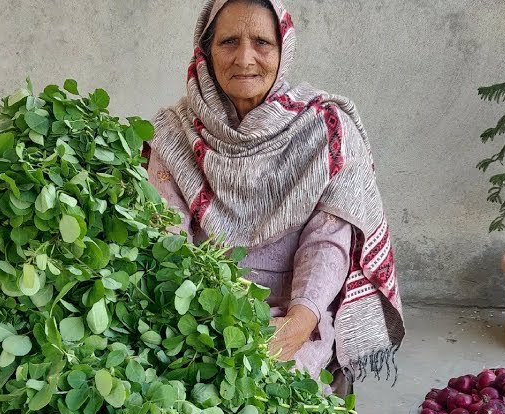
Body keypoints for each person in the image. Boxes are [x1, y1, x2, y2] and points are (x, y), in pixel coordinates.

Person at [147, 0, 404, 394]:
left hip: (293, 306)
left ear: (283, 50)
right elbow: (167, 237)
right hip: (196, 308)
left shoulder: (324, 128)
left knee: (277, 391)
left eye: (262, 43)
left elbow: (327, 240)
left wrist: (301, 319)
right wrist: (205, 321)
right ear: (206, 51)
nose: (244, 58)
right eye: (228, 41)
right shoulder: (174, 132)